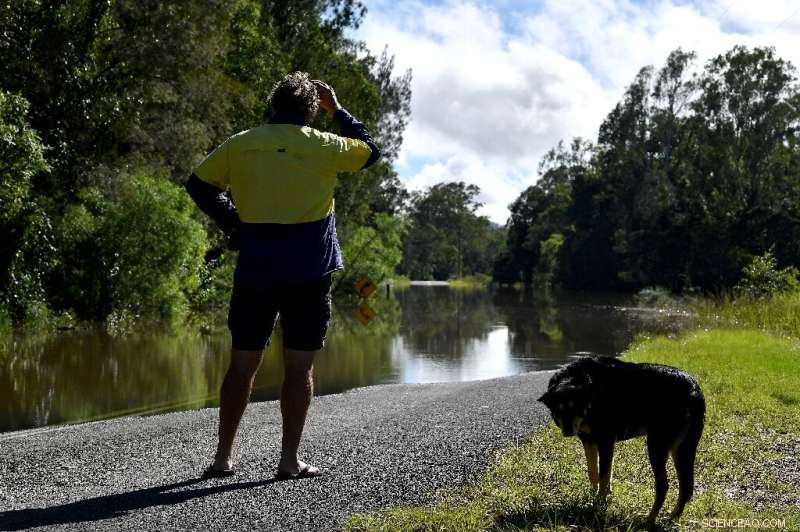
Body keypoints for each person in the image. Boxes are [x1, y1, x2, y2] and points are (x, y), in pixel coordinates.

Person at [185, 71, 380, 479]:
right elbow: (370, 150)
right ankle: (288, 461)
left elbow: (199, 185)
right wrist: (338, 109)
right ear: (311, 110)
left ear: (273, 106)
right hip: (310, 270)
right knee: (298, 368)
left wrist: (233, 222)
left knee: (242, 365)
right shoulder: (323, 144)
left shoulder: (241, 143)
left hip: (257, 267)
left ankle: (223, 458)